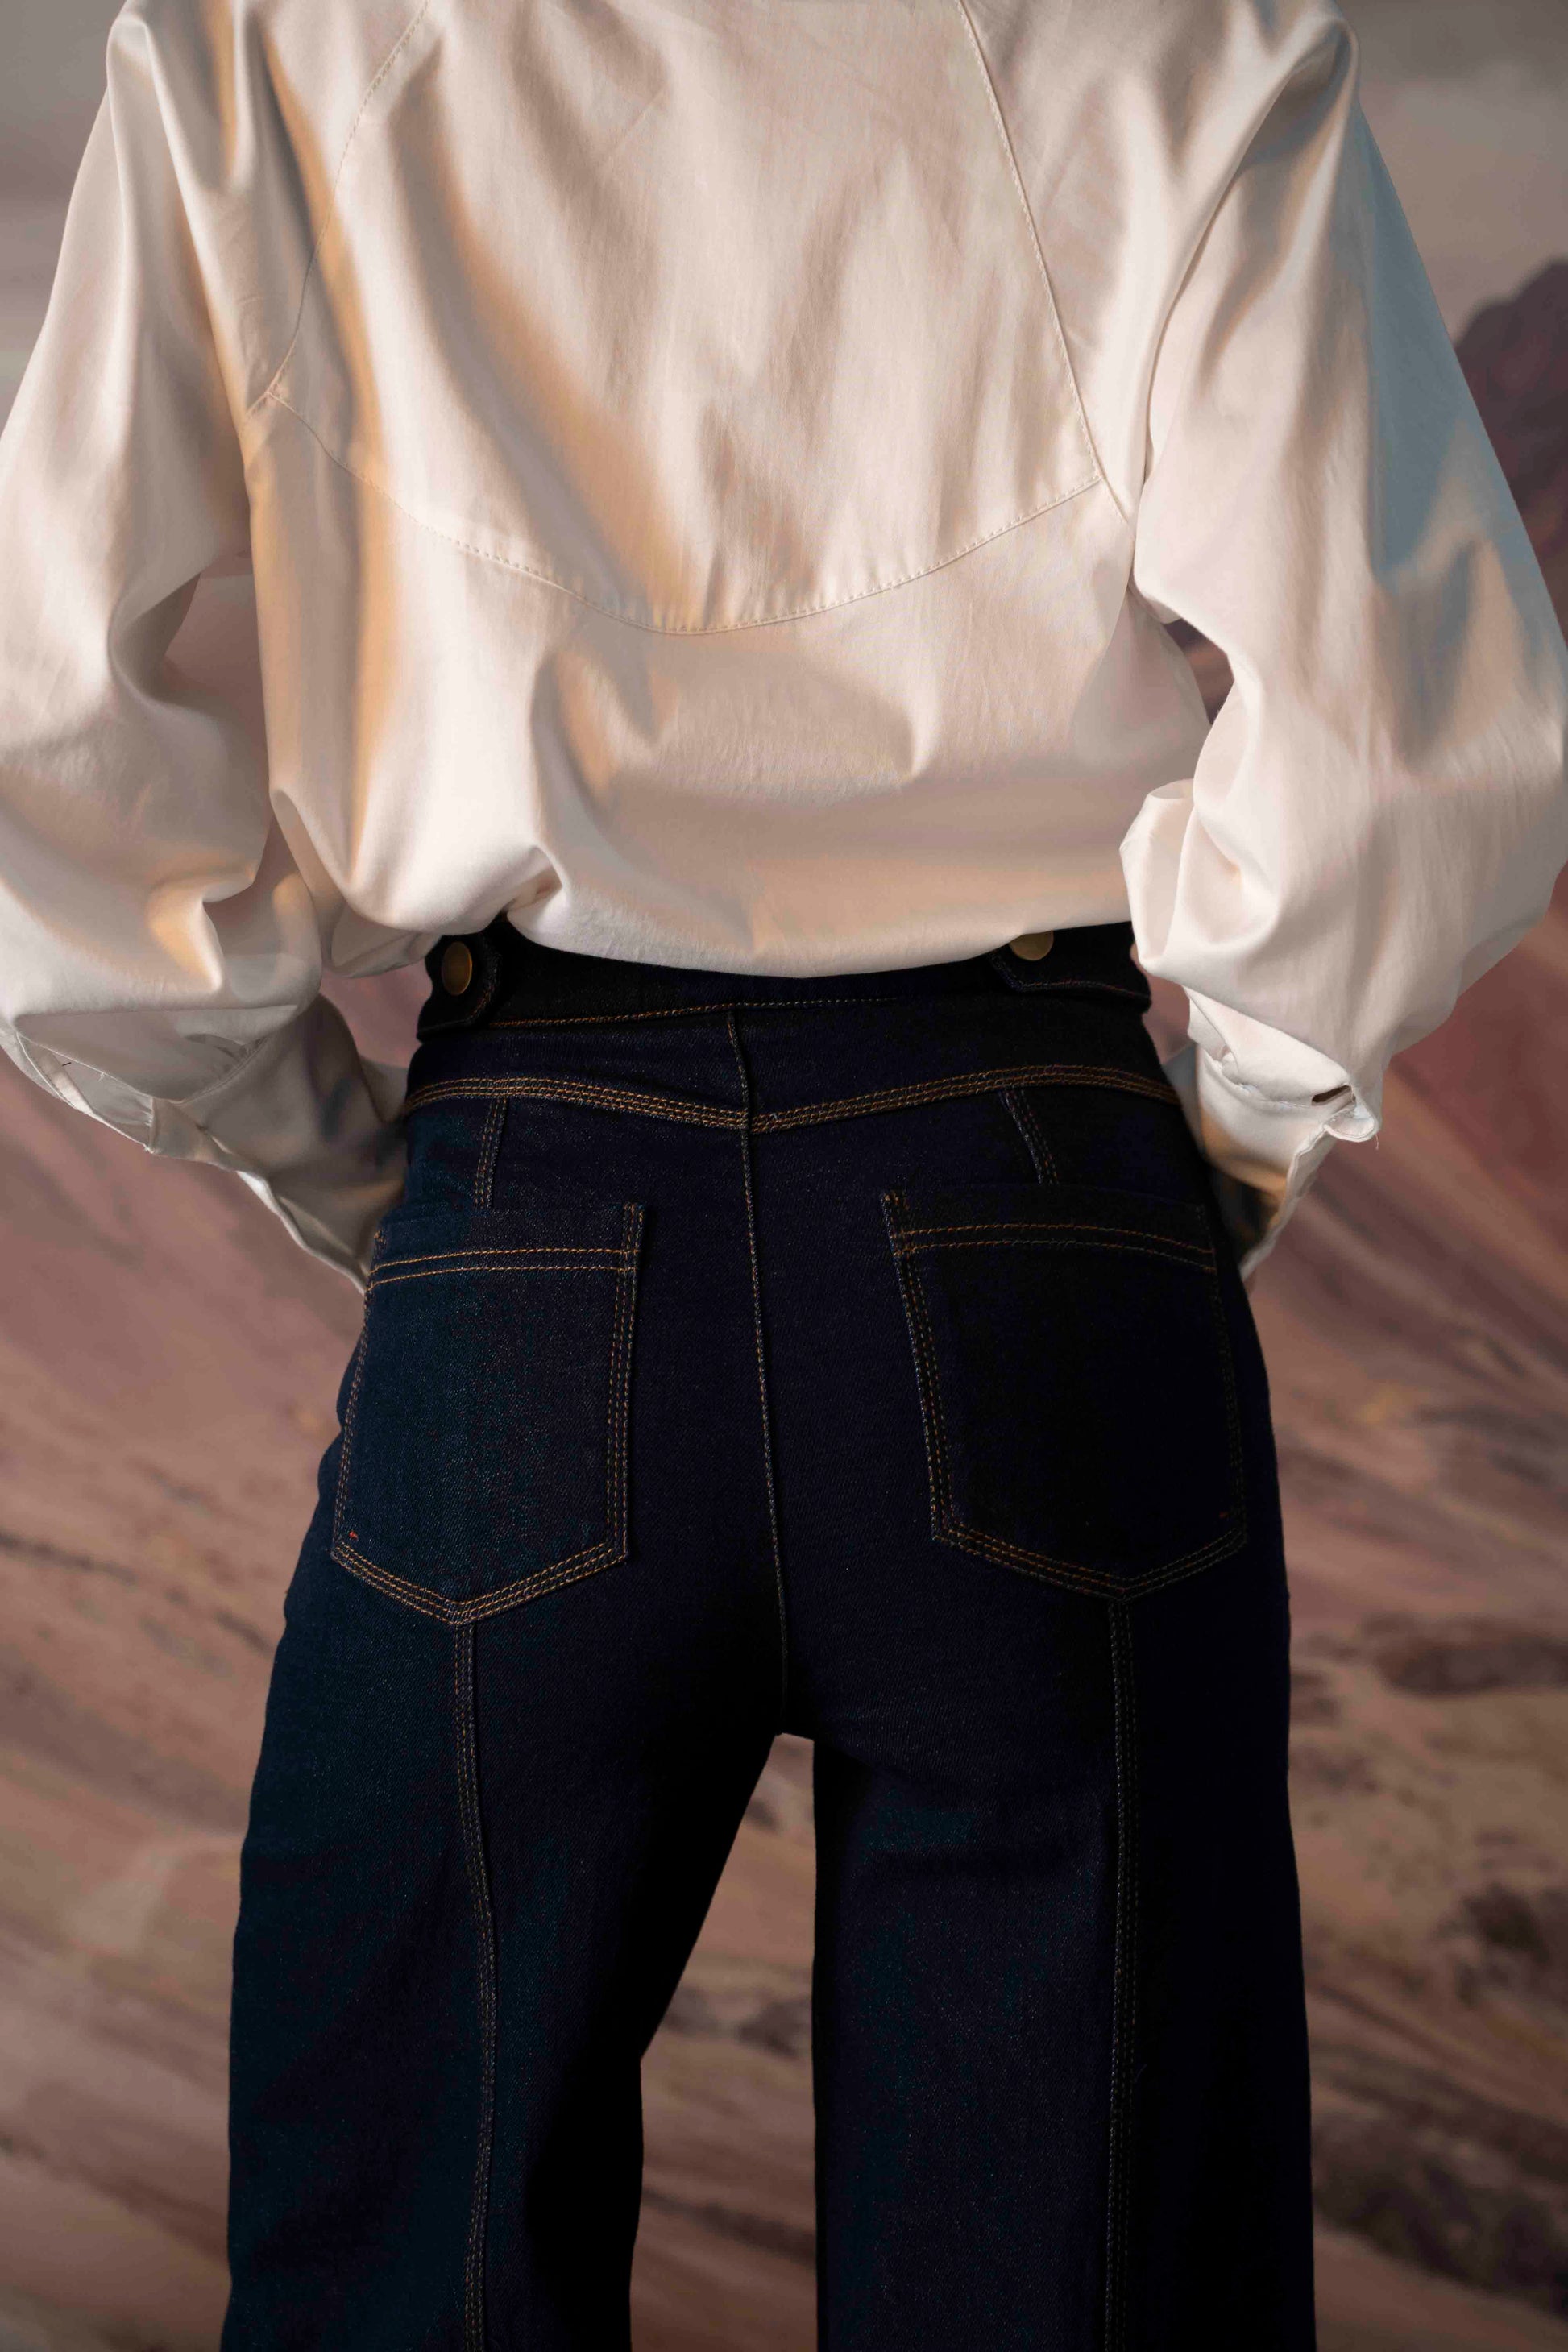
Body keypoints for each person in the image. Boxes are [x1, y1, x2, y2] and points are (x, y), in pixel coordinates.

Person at [1, 0, 1563, 2341]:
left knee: (398, 2265)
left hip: (533, 1207)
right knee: (1086, 2276)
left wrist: (358, 1182)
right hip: (1033, 1189)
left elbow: (45, 757)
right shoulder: (1181, 31)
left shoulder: (261, 42)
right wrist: (1209, 1149)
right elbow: (1405, 752)